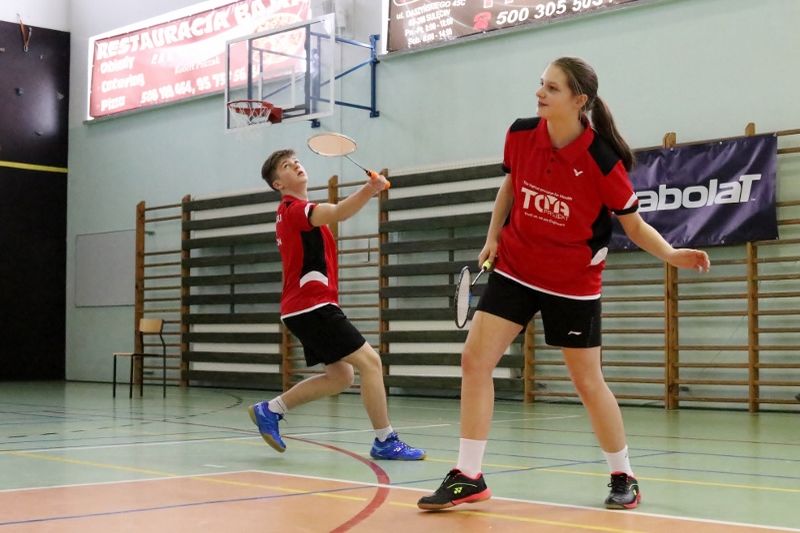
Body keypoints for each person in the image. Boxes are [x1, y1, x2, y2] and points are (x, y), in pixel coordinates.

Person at [417, 57, 710, 510]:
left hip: (572, 282)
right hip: (516, 267)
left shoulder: (601, 161)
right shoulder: (520, 134)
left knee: (588, 382)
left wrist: (670, 253)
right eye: (541, 84)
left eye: (552, 88)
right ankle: (468, 475)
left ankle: (623, 474)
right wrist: (493, 235)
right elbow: (511, 185)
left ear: (579, 100)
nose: (540, 93)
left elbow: (633, 226)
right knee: (475, 361)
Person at [249, 149, 425, 461]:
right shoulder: (295, 210)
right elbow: (340, 212)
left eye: (297, 161)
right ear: (278, 184)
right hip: (311, 307)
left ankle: (270, 409)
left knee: (341, 377)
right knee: (371, 362)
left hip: (305, 308)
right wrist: (371, 188)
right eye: (287, 166)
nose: (296, 166)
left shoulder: (296, 213)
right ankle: (385, 440)